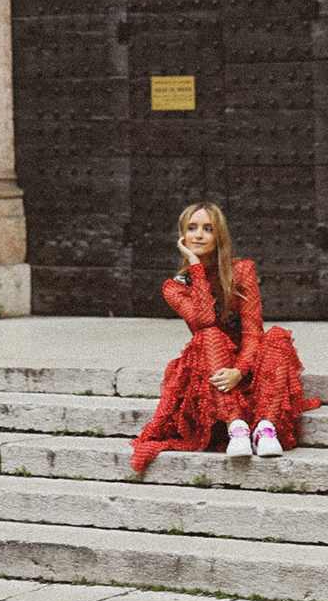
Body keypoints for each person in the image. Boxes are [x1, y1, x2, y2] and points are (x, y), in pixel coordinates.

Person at [130, 202, 318, 473]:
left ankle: (265, 428)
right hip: (212, 371)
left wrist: (239, 371)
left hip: (249, 366)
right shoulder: (174, 287)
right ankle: (236, 427)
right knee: (209, 335)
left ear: (219, 236)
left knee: (276, 337)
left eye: (208, 229)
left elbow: (254, 331)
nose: (199, 235)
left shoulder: (241, 270)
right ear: (182, 236)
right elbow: (204, 321)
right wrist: (195, 267)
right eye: (192, 228)